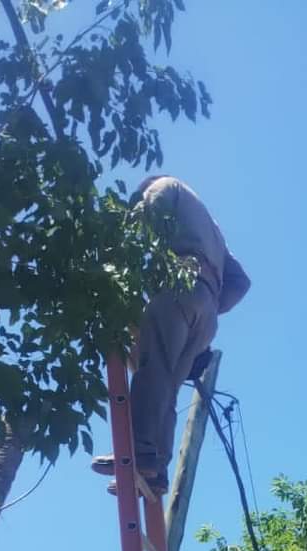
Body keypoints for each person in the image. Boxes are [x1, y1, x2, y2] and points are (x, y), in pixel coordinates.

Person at [93, 175, 250, 492]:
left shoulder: (164, 186)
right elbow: (240, 283)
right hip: (207, 313)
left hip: (179, 285)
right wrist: (205, 302)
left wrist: (110, 259)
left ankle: (139, 451)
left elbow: (145, 221)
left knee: (153, 368)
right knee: (167, 385)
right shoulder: (213, 230)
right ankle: (156, 468)